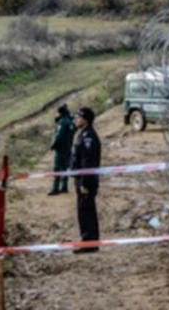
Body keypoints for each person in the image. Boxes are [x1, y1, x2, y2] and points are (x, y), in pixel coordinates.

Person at [69, 107, 101, 253]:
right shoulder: (82, 134)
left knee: (86, 211)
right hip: (82, 179)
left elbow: (87, 163)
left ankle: (89, 243)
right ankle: (88, 241)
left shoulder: (89, 137)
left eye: (79, 117)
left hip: (86, 181)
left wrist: (84, 183)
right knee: (84, 211)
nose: (76, 119)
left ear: (86, 120)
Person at [48, 104, 75, 196]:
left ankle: (55, 188)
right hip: (68, 148)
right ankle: (64, 186)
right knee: (65, 167)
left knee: (57, 168)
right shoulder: (70, 122)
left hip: (61, 149)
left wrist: (53, 145)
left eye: (57, 113)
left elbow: (59, 136)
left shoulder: (62, 122)